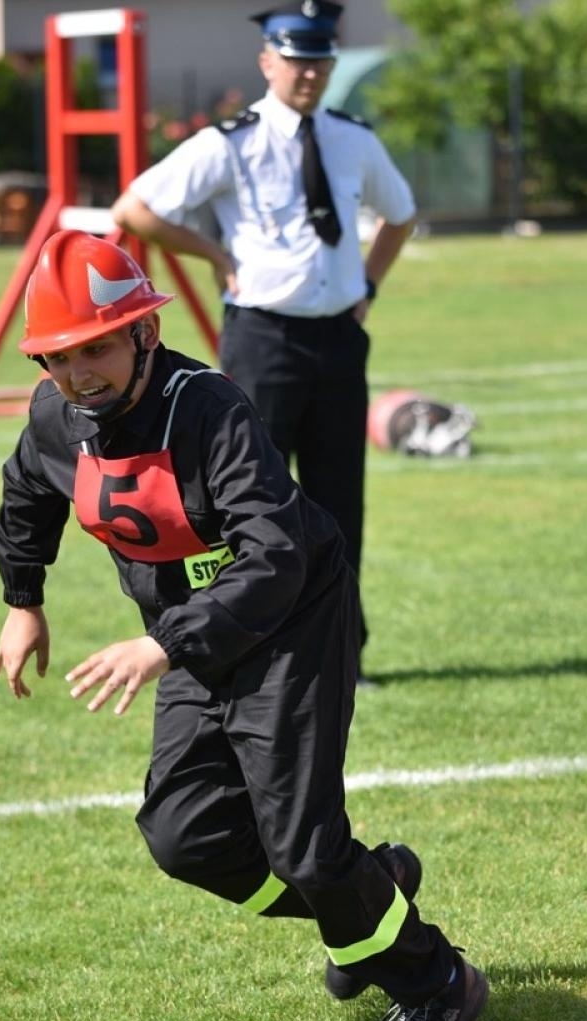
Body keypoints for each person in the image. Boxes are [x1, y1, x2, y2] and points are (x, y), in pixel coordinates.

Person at [0, 230, 487, 1021]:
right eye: (57, 357)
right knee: (186, 835)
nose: (78, 375)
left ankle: (437, 981)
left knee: (302, 845)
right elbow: (26, 498)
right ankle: (372, 888)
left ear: (144, 333)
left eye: (96, 349)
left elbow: (278, 555)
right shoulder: (58, 415)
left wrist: (164, 646)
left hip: (288, 621)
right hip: (191, 638)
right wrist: (23, 601)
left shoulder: (210, 409)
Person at [110, 1, 417, 681]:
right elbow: (135, 209)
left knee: (340, 503)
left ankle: (341, 651)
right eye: (296, 59)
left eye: (320, 59)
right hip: (263, 339)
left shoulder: (352, 138)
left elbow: (400, 214)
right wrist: (216, 257)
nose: (309, 73)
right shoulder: (231, 141)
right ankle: (249, 642)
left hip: (338, 339)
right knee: (251, 504)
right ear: (267, 62)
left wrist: (368, 286)